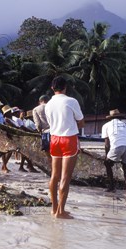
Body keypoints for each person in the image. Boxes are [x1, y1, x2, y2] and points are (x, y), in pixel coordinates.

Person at [45, 76, 84, 218]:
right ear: (65, 87)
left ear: (52, 88)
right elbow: (81, 122)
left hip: (54, 139)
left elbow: (50, 123)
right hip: (69, 139)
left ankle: (54, 208)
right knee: (65, 177)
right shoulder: (71, 101)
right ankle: (60, 212)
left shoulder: (48, 104)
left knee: (54, 176)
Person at [101, 109, 126, 196]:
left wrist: (107, 156)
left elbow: (107, 144)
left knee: (107, 163)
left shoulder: (106, 125)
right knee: (125, 165)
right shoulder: (124, 125)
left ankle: (112, 186)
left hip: (117, 146)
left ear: (109, 118)